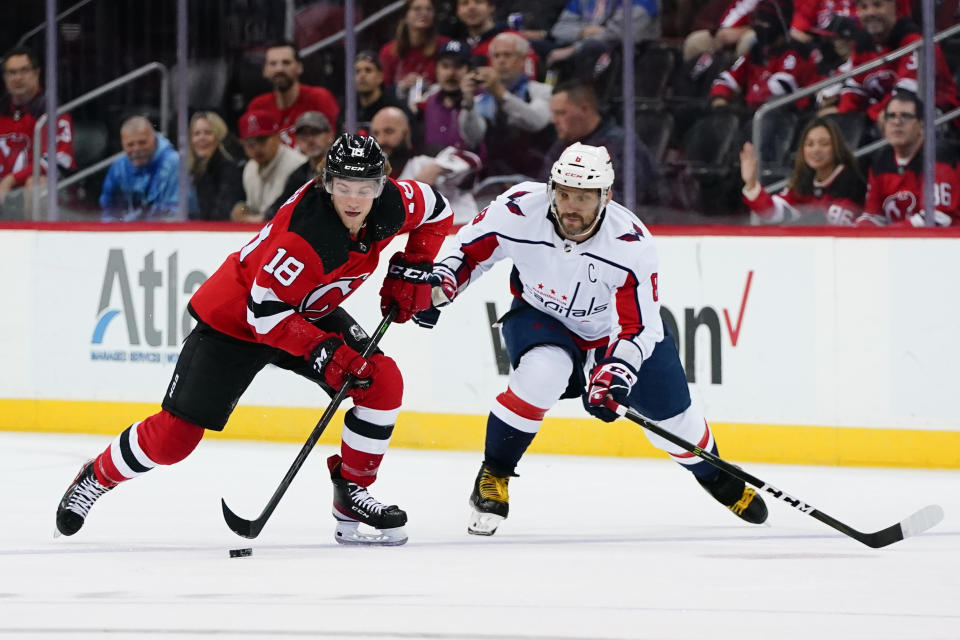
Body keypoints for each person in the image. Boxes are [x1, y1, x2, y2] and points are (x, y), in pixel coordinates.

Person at [55, 133, 454, 546]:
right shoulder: (305, 237)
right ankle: (96, 476)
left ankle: (351, 493)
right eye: (343, 188)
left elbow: (438, 211)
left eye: (366, 189)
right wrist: (324, 351)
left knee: (381, 380)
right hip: (238, 322)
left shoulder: (394, 203)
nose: (354, 200)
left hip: (303, 309)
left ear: (382, 184)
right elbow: (263, 316)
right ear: (326, 183)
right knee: (175, 440)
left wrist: (415, 263)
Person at [414, 143, 768, 535]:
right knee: (542, 373)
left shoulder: (630, 243)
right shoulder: (517, 209)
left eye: (583, 197)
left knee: (675, 423)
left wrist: (616, 371)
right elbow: (467, 253)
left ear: (605, 197)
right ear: (551, 189)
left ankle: (715, 476)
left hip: (611, 333)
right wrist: (444, 283)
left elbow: (639, 326)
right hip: (541, 317)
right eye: (564, 194)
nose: (571, 206)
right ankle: (494, 473)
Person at [837, 0, 958, 123]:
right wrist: (843, 121)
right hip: (886, 121)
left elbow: (907, 93)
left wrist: (869, 117)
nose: (870, 12)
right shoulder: (862, 43)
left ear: (894, 6)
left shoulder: (916, 41)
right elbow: (854, 89)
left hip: (940, 121)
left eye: (877, 5)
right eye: (863, 7)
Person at [541, 81, 659, 205]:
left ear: (585, 109)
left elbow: (628, 200)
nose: (554, 120)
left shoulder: (621, 145)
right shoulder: (562, 146)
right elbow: (544, 184)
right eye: (553, 114)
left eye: (561, 113)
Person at [856, 91, 959, 227]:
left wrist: (890, 234)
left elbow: (937, 218)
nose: (897, 122)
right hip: (899, 243)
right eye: (891, 116)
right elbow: (873, 214)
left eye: (906, 116)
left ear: (921, 125)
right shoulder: (880, 161)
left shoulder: (937, 157)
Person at [459, 32, 553, 178]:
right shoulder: (482, 100)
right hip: (493, 179)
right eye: (496, 56)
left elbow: (537, 122)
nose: (501, 61)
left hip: (537, 176)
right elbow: (473, 138)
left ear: (523, 60)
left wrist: (500, 94)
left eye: (507, 55)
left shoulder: (541, 91)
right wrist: (468, 104)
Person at [740, 117, 865, 224]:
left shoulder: (852, 182)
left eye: (824, 143)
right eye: (809, 144)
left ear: (836, 147)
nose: (816, 150)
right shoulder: (802, 183)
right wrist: (751, 183)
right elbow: (773, 212)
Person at [0, 46, 75, 215]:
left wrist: (11, 180)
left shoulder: (52, 109)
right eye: (12, 73)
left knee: (36, 186)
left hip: (49, 189)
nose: (18, 78)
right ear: (5, 78)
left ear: (36, 73)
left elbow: (57, 160)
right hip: (5, 189)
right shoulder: (2, 110)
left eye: (24, 71)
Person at [246, 41, 340, 148]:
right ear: (264, 70)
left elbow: (330, 143)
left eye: (286, 63)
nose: (279, 69)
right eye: (273, 63)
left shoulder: (319, 97)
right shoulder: (258, 106)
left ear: (299, 67)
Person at [231, 109, 306, 223]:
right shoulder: (250, 167)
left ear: (277, 137)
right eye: (249, 143)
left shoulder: (297, 166)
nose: (256, 148)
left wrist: (249, 219)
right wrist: (242, 209)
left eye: (262, 140)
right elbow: (252, 208)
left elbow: (290, 217)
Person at [100, 115, 180, 221]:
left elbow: (174, 212)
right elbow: (108, 209)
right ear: (122, 145)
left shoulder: (174, 163)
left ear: (154, 140)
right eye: (130, 145)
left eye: (142, 143)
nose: (136, 149)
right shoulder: (118, 167)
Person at [265, 110, 335, 221]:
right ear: (296, 139)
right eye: (304, 134)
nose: (310, 140)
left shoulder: (341, 170)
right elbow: (278, 209)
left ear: (330, 135)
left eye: (315, 132)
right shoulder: (298, 174)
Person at [379, 0, 449, 99]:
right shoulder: (388, 51)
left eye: (429, 9)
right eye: (417, 9)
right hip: (399, 106)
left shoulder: (445, 45)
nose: (424, 13)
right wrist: (401, 86)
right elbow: (382, 89)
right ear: (405, 15)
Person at [188, 111, 244, 221]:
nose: (201, 138)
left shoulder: (229, 171)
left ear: (219, 137)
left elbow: (220, 215)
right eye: (197, 133)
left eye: (208, 133)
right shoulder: (195, 170)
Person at [355, 51, 411, 129]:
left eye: (368, 70)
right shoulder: (349, 108)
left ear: (380, 77)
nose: (362, 75)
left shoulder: (395, 109)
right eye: (357, 71)